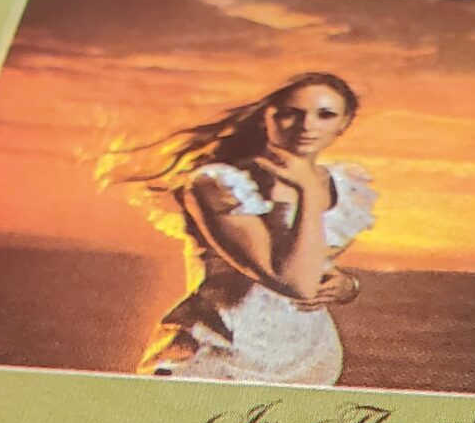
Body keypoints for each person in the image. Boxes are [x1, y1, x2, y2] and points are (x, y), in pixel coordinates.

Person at [133, 72, 377, 385]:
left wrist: (347, 287)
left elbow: (314, 262)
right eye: (291, 113)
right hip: (218, 351)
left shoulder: (344, 185)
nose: (307, 126)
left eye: (325, 115)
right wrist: (307, 191)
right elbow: (293, 283)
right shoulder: (219, 183)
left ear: (344, 122)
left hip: (309, 357)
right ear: (267, 116)